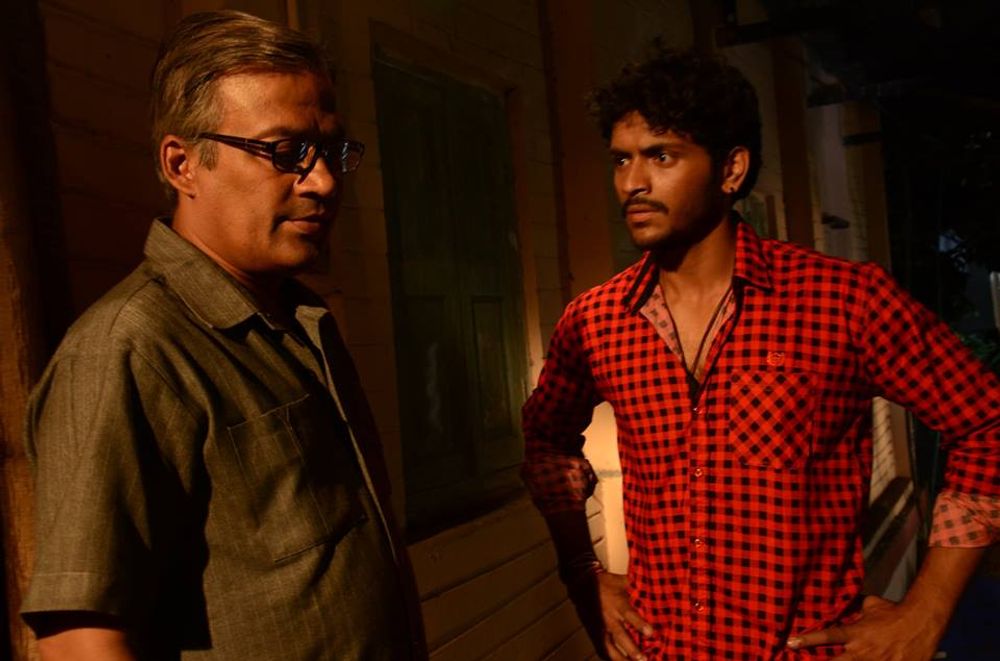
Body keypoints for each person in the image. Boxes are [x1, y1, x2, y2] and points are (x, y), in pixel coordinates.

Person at [521, 43, 1000, 661]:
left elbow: (985, 422)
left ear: (731, 169)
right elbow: (547, 440)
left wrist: (928, 610)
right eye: (621, 160)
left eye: (661, 156)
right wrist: (581, 571)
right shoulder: (596, 321)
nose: (633, 183)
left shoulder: (842, 301)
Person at [21, 10, 426, 660]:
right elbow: (79, 636)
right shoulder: (132, 349)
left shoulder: (298, 322)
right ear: (182, 164)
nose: (323, 182)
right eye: (285, 152)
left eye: (330, 151)